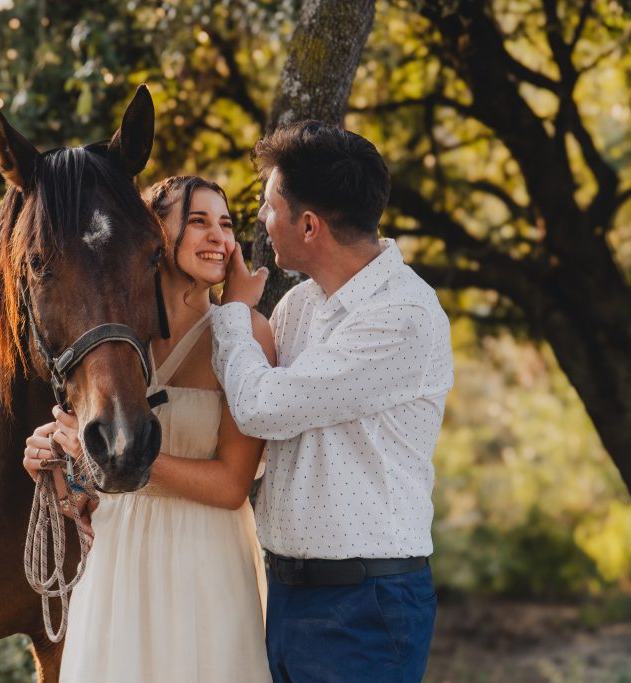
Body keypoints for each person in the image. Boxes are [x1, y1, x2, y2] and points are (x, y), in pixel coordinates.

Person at [211, 121, 455, 682]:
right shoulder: (297, 306)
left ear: (310, 224)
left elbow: (261, 406)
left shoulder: (403, 314)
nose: (263, 222)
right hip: (286, 595)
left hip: (364, 604)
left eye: (270, 206)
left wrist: (231, 315)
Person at [23, 175, 276, 683]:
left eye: (225, 225)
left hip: (207, 560)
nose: (219, 238)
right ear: (154, 233)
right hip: (119, 559)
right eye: (198, 221)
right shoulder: (116, 338)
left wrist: (124, 456)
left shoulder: (245, 334)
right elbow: (86, 497)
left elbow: (231, 486)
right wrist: (59, 463)